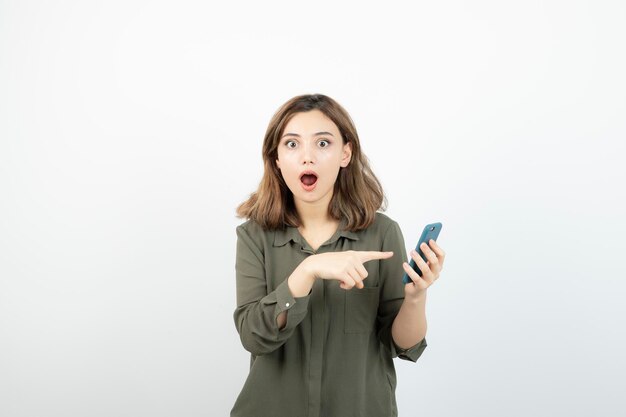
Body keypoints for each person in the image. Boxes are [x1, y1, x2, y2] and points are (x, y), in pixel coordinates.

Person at [231, 94, 445, 417]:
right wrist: (308, 269)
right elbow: (253, 335)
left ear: (345, 153)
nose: (307, 158)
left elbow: (403, 345)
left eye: (322, 144)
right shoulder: (254, 236)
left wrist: (416, 297)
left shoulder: (382, 234)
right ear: (276, 159)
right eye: (292, 145)